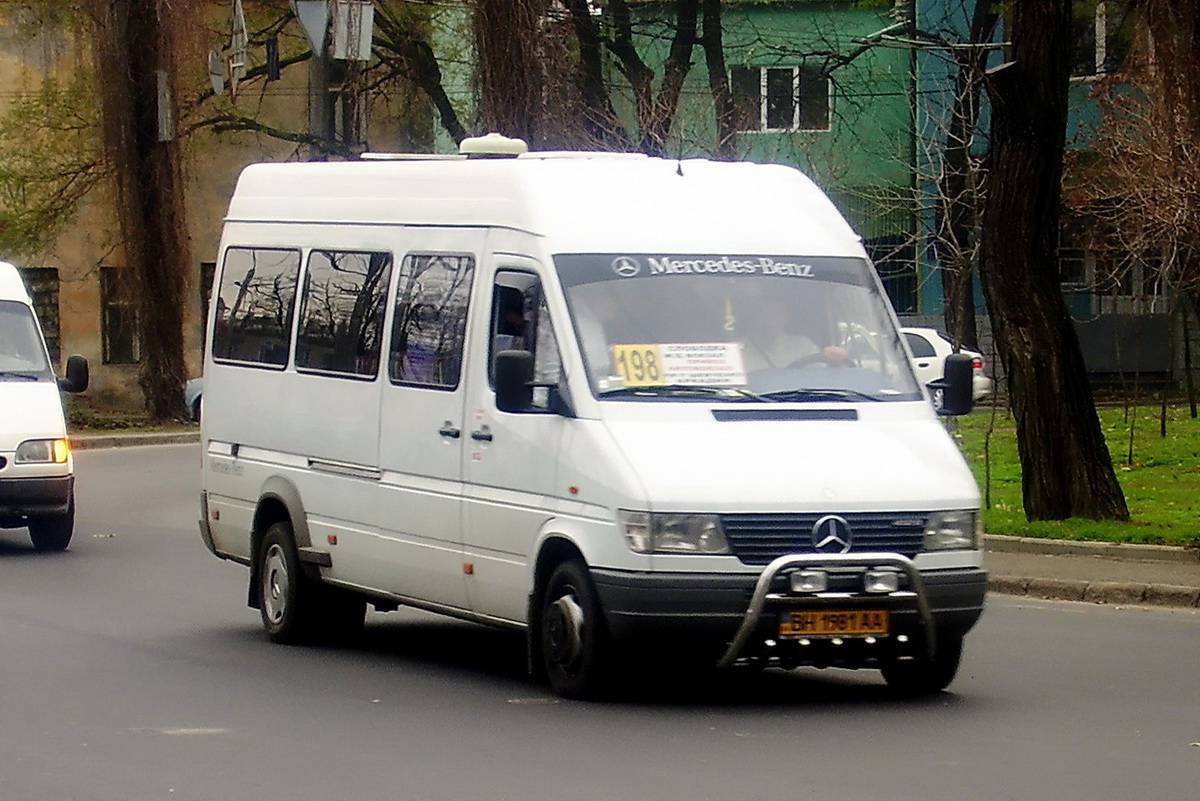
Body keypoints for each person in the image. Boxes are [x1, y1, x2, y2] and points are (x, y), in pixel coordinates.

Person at [740, 295, 848, 372]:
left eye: (777, 315)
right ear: (753, 317)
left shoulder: (802, 346)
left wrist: (835, 358)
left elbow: (820, 377)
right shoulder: (737, 350)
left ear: (787, 318)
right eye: (762, 314)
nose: (769, 321)